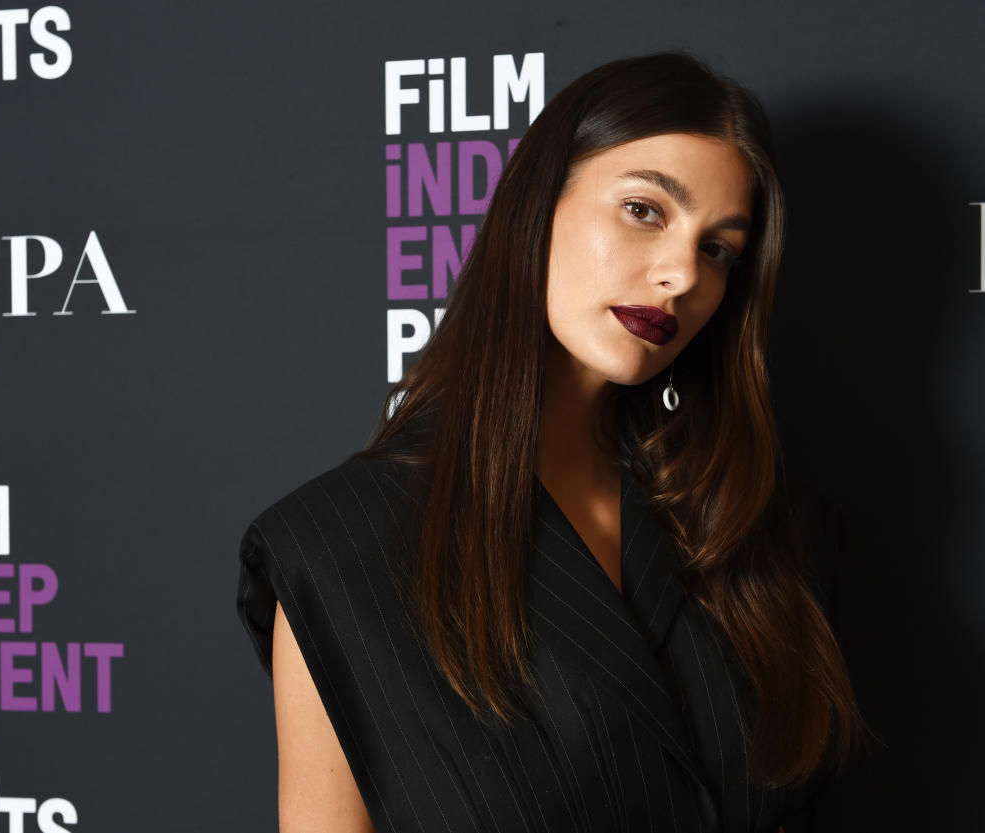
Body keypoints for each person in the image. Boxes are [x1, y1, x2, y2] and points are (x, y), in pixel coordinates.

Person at [236, 51, 860, 833]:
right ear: (537, 203)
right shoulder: (334, 547)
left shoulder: (768, 525)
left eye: (718, 249)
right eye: (644, 209)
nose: (680, 274)